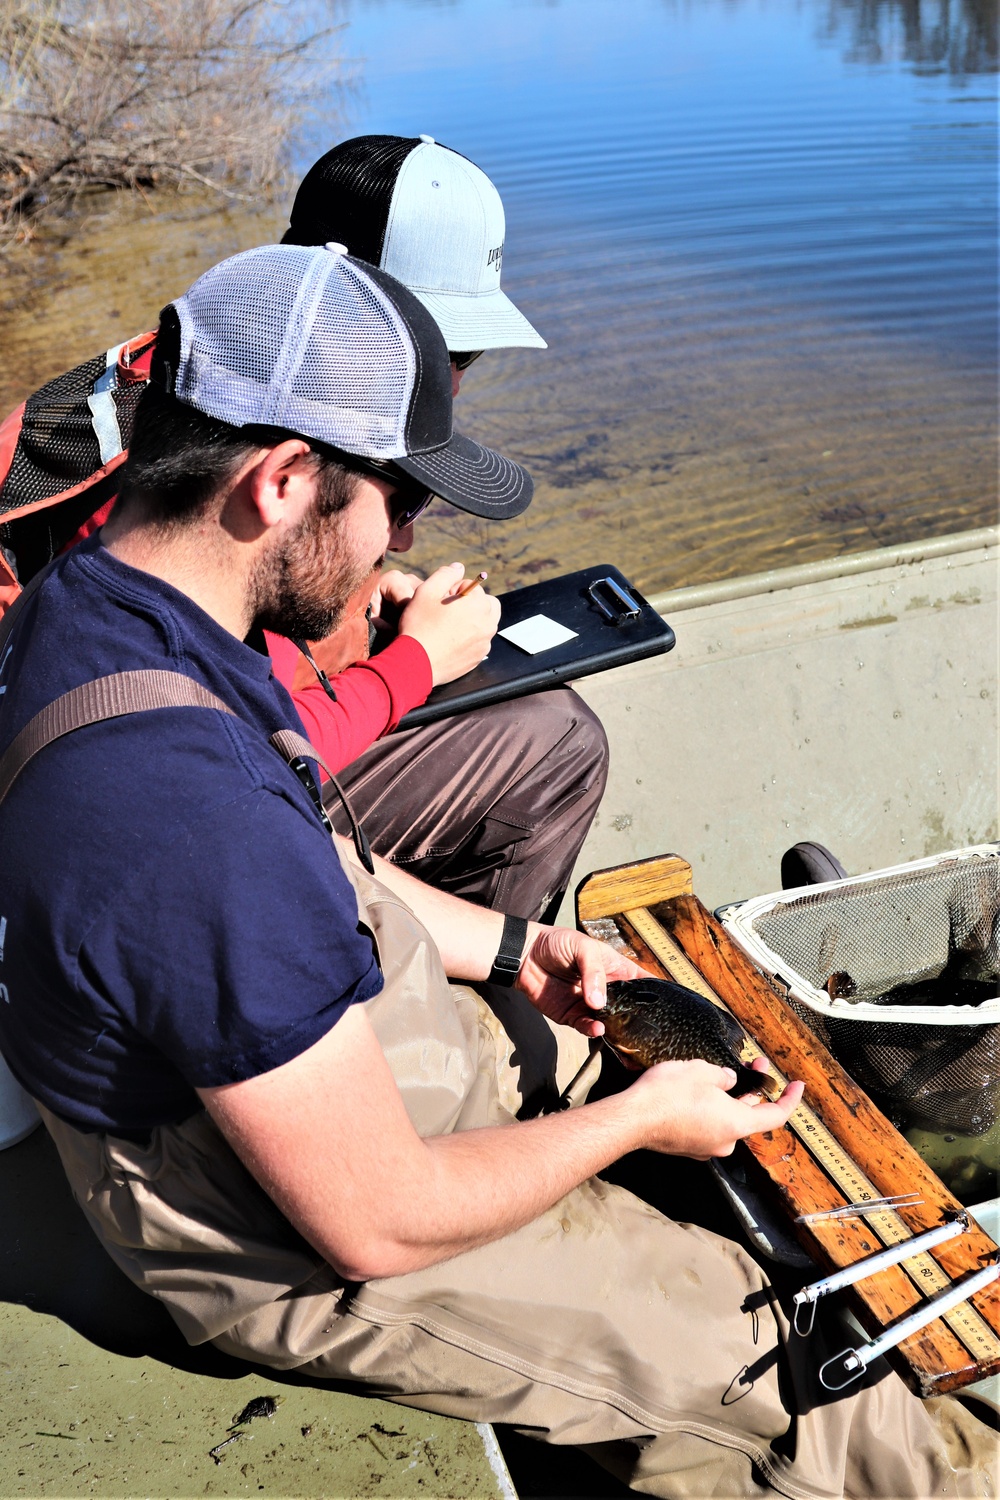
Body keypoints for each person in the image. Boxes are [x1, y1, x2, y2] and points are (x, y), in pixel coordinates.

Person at [0, 244, 993, 1500]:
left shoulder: (117, 600)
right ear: (283, 480)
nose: (405, 543)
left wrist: (526, 952)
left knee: (708, 1042)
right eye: (396, 504)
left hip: (320, 1064)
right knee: (767, 1363)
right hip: (284, 1220)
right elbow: (376, 1220)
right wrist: (638, 1122)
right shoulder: (187, 823)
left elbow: (319, 852)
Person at [0, 133, 608, 938]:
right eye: (443, 345)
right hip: (130, 806)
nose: (453, 377)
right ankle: (468, 1012)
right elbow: (214, 736)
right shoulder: (167, 491)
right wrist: (412, 666)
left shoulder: (207, 366)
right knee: (557, 739)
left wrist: (354, 575)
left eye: (468, 353)